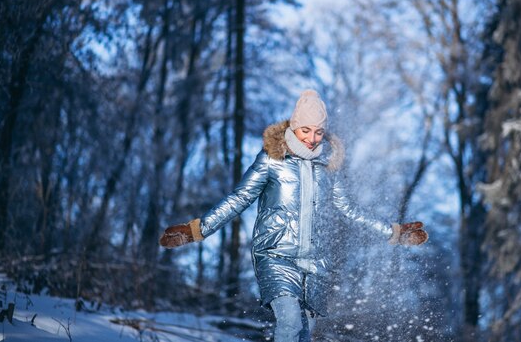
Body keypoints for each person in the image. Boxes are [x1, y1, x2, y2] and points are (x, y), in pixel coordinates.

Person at [159, 90, 428, 342]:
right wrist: (196, 230)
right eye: (306, 130)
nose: (312, 138)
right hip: (276, 255)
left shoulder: (328, 167)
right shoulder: (271, 160)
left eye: (319, 132)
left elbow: (350, 210)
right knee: (289, 322)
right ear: (294, 127)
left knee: (304, 334)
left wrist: (394, 232)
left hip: (314, 264)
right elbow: (239, 198)